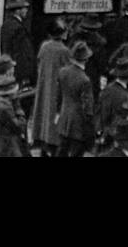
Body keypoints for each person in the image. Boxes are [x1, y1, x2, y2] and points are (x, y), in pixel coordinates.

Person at [30, 19, 71, 155]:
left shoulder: (44, 46)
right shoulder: (64, 51)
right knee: (55, 120)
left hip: (43, 88)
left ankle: (42, 146)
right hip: (56, 91)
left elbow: (39, 64)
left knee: (43, 116)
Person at [57, 40, 95, 157]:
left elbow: (58, 95)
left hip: (64, 117)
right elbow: (87, 106)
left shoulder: (63, 72)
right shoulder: (85, 80)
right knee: (77, 152)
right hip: (78, 123)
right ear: (86, 59)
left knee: (62, 150)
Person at [0, 69, 29, 157]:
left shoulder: (2, 103)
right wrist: (19, 111)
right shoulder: (5, 107)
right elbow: (19, 126)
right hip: (8, 146)